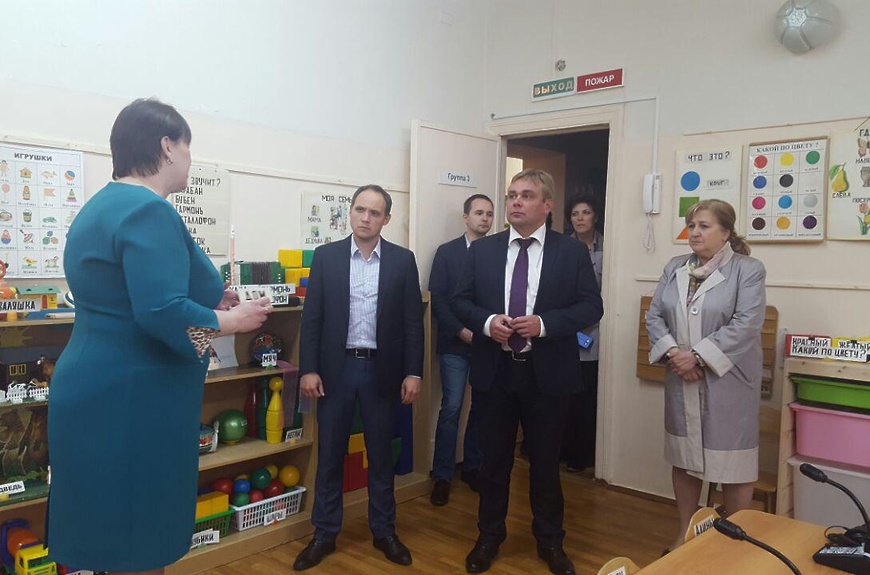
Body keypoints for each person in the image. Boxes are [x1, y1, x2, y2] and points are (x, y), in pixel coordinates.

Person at [47, 98, 272, 574]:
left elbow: (127, 297)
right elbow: (161, 313)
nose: (190, 160)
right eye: (188, 148)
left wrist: (211, 301)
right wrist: (233, 322)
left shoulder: (99, 207)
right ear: (167, 146)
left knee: (107, 533)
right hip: (134, 399)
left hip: (93, 386)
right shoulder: (148, 211)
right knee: (139, 540)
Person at [453, 169, 603, 575]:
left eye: (527, 195)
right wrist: (488, 323)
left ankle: (550, 541)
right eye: (512, 195)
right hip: (496, 371)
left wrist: (544, 323)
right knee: (493, 464)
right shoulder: (483, 251)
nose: (516, 201)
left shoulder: (570, 252)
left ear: (547, 205)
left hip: (548, 374)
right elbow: (459, 301)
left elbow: (592, 307)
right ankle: (488, 537)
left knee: (545, 465)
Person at [294, 184, 424, 571]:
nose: (366, 218)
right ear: (350, 212)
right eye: (360, 210)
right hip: (336, 370)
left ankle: (384, 531)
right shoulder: (327, 257)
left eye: (375, 213)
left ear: (386, 219)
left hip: (382, 371)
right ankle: (324, 533)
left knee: (381, 456)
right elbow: (312, 319)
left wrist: (414, 371)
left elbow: (412, 323)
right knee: (330, 456)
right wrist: (309, 368)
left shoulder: (402, 261)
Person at [645, 198, 766, 554]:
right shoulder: (675, 267)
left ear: (725, 232)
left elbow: (746, 324)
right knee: (684, 457)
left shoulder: (748, 269)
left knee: (732, 461)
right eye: (691, 226)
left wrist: (697, 356)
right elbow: (655, 315)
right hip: (680, 376)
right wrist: (675, 354)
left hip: (727, 381)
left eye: (704, 226)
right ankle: (686, 532)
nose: (694, 232)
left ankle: (734, 543)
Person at [429, 193, 494, 506]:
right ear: (466, 217)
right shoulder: (447, 253)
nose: (485, 219)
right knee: (452, 408)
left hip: (487, 343)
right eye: (479, 213)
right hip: (455, 343)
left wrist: (484, 331)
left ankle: (472, 467)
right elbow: (438, 299)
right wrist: (461, 331)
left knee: (481, 408)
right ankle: (442, 476)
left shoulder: (498, 252)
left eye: (489, 214)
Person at [561, 194, 604, 472]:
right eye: (575, 213)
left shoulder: (607, 248)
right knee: (566, 397)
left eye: (585, 212)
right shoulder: (563, 248)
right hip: (565, 329)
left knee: (588, 396)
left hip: (595, 331)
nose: (580, 218)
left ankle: (584, 455)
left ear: (595, 216)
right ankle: (564, 451)